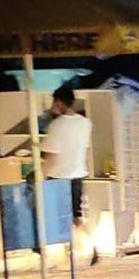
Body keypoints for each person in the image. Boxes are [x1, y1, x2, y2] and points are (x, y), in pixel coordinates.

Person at [41, 84, 93, 226]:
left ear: (58, 102)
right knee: (76, 217)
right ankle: (78, 239)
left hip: (58, 177)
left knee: (57, 220)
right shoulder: (85, 123)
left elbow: (51, 156)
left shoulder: (57, 125)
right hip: (78, 175)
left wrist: (39, 179)